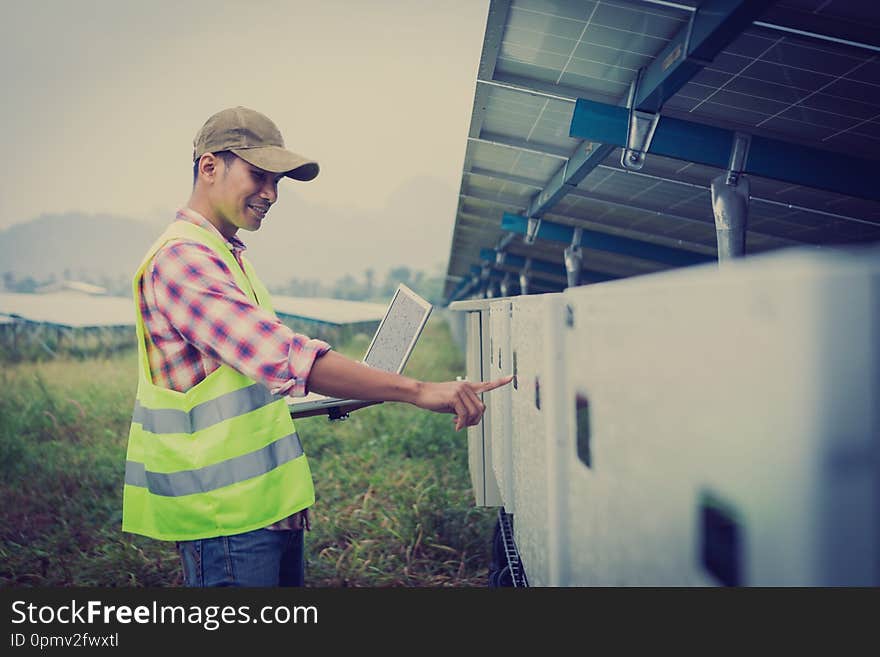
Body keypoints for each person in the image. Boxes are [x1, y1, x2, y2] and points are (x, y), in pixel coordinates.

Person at [122, 106, 512, 587]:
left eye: (277, 182)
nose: (271, 194)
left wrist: (352, 390)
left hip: (266, 506)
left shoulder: (224, 255)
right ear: (209, 167)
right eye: (259, 175)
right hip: (226, 515)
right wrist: (415, 389)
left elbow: (249, 382)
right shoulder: (183, 260)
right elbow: (283, 355)